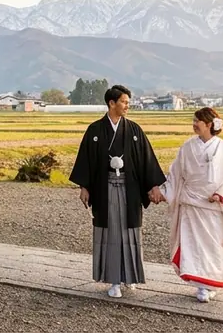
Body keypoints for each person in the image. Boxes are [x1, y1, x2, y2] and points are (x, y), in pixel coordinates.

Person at [70, 84, 167, 298]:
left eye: (128, 103)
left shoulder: (133, 130)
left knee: (130, 231)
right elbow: (86, 160)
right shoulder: (95, 130)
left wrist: (154, 186)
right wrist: (84, 187)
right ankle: (113, 280)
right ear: (111, 103)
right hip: (105, 189)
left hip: (129, 189)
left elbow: (146, 160)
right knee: (111, 232)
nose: (127, 106)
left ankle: (130, 277)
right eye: (124, 102)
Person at [160, 107, 223, 303]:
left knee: (213, 246)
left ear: (208, 124)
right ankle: (201, 285)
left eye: (197, 120)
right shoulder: (187, 147)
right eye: (194, 120)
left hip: (212, 206)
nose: (194, 124)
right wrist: (163, 192)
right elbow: (176, 174)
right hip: (190, 203)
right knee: (192, 245)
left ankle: (212, 283)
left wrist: (221, 194)